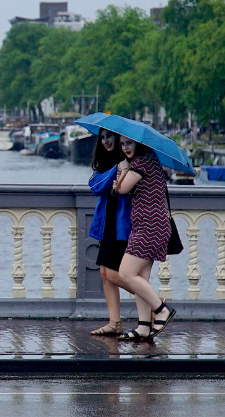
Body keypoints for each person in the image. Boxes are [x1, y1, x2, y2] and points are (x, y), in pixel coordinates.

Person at [113, 137, 177, 341]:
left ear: (139, 143)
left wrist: (122, 169)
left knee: (125, 273)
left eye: (129, 143)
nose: (125, 148)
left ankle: (161, 309)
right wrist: (122, 176)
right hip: (145, 226)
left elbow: (121, 189)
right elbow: (121, 186)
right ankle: (143, 326)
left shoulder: (143, 162)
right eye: (122, 144)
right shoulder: (149, 160)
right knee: (141, 278)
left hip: (150, 228)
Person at [87, 129, 133, 337]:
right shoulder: (109, 164)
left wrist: (124, 169)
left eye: (110, 137)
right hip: (108, 223)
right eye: (103, 137)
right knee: (105, 273)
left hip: (123, 224)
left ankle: (155, 304)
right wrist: (116, 169)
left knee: (115, 273)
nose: (106, 141)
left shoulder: (131, 160)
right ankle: (115, 322)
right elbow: (95, 186)